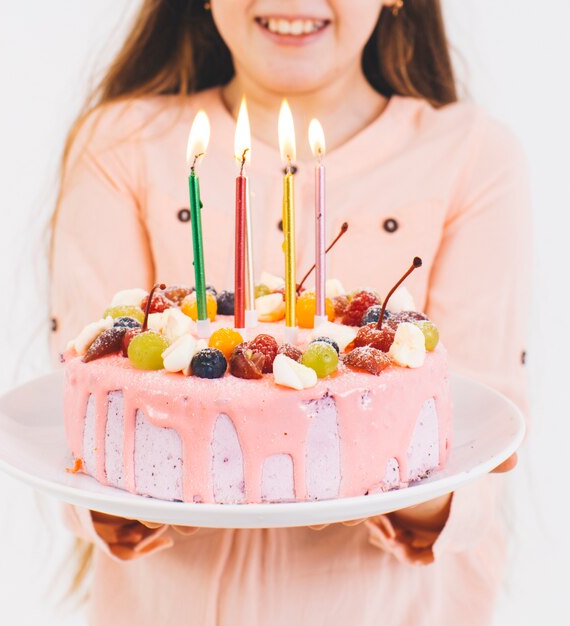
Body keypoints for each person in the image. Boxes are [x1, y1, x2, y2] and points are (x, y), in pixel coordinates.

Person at [49, 1, 530, 624]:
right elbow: (86, 425)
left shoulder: (473, 155)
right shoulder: (121, 145)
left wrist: (410, 488)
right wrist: (118, 502)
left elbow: (477, 457)